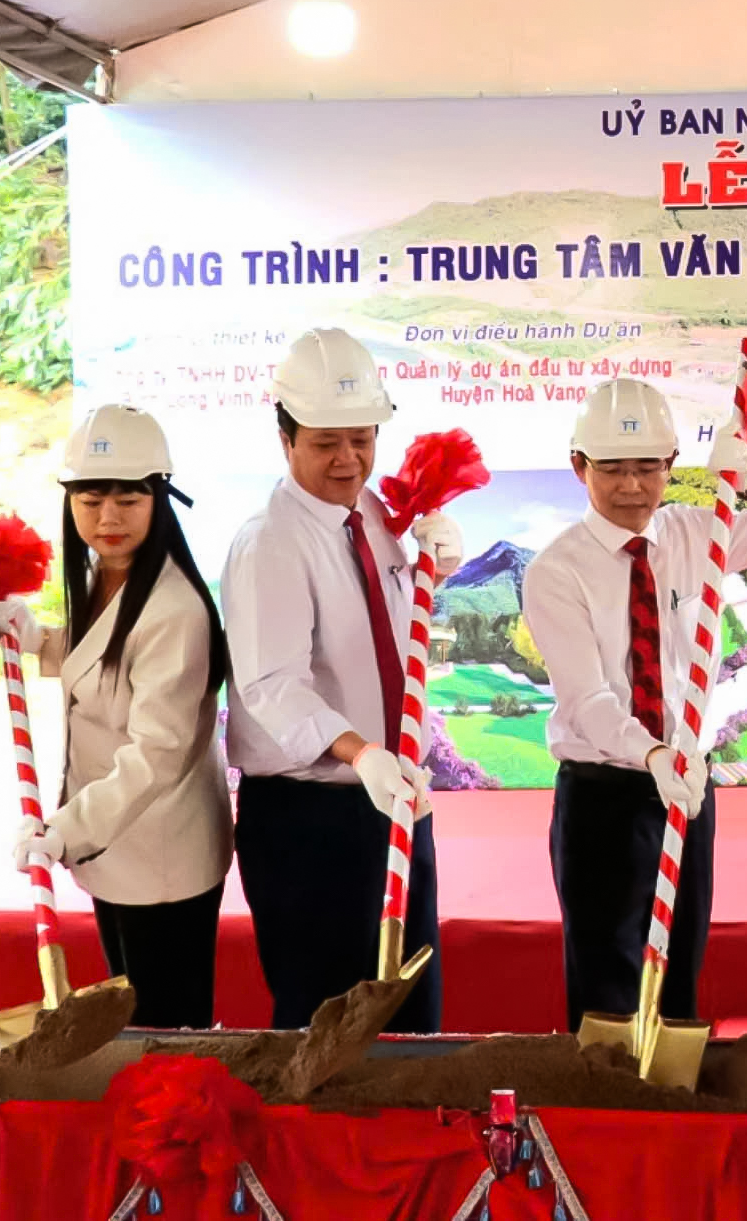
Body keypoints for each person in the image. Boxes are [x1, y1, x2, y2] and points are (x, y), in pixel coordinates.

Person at [524, 378, 747, 1031]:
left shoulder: (704, 534)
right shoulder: (557, 570)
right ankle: (605, 1124)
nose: (632, 486)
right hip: (603, 795)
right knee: (608, 991)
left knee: (679, 976)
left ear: (672, 466)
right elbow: (587, 700)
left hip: (688, 791)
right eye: (612, 469)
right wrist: (652, 752)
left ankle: (673, 1120)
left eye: (648, 467)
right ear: (579, 466)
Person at [220, 329, 465, 1032]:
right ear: (285, 438)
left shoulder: (376, 518)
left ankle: (417, 1147)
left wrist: (433, 567)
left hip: (391, 804)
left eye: (362, 438)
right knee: (328, 1030)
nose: (348, 459)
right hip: (309, 822)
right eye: (327, 442)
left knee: (414, 1020)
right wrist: (362, 752)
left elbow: (386, 634)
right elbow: (272, 685)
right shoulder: (271, 540)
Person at [0, 405, 233, 1030]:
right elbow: (107, 660)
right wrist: (39, 640)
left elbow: (156, 753)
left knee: (166, 1032)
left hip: (160, 855)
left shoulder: (174, 606)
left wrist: (65, 829)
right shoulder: (106, 573)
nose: (108, 518)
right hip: (118, 850)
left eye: (128, 499)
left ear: (160, 499)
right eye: (91, 500)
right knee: (135, 1017)